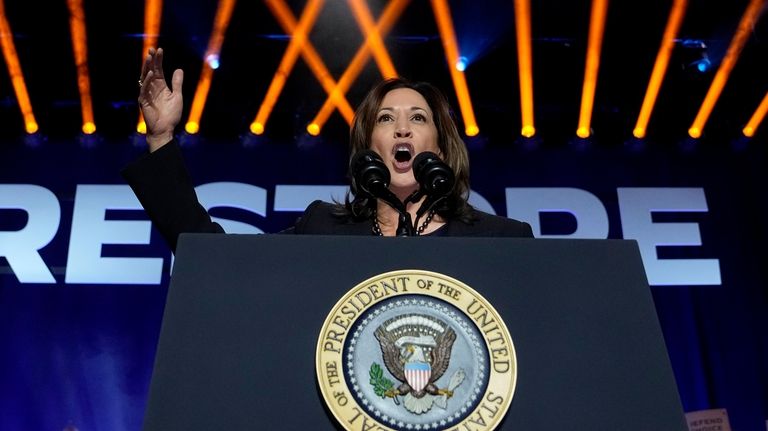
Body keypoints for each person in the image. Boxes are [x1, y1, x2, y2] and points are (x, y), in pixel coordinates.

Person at [122, 47, 533, 252]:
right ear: (369, 148)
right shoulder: (324, 230)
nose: (402, 128)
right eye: (386, 119)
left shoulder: (502, 241)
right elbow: (214, 261)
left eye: (419, 119)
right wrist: (160, 139)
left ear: (441, 149)